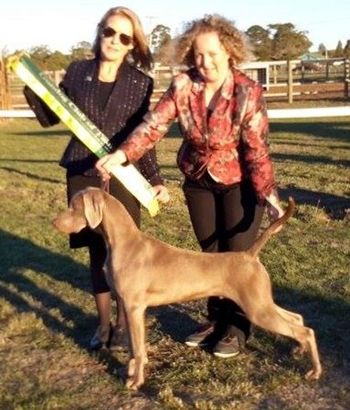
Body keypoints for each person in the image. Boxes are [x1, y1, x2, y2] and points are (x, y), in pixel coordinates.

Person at [96, 14, 284, 358]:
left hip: (239, 182)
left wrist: (267, 192)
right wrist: (123, 155)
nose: (205, 61)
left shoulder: (247, 91)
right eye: (197, 54)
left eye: (212, 53)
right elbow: (154, 125)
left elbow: (257, 149)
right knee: (208, 256)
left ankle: (236, 328)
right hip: (198, 182)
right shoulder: (183, 86)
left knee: (237, 258)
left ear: (229, 51)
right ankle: (215, 320)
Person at [24, 6, 168, 350]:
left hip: (123, 177)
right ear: (100, 32)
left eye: (124, 37)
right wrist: (34, 88)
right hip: (83, 174)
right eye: (109, 32)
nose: (114, 41)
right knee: (96, 254)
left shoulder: (140, 83)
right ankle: (102, 326)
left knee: (125, 252)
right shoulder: (77, 72)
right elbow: (48, 116)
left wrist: (155, 178)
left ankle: (122, 326)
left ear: (132, 44)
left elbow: (142, 137)